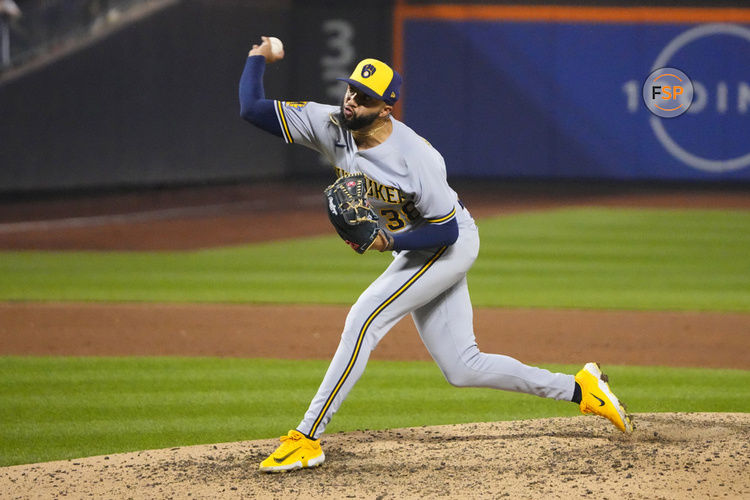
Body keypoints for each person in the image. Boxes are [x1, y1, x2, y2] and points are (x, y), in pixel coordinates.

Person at [239, 36, 633, 473]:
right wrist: (259, 56)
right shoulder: (329, 124)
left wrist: (389, 243)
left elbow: (444, 230)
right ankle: (581, 389)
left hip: (448, 243)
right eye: (350, 90)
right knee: (463, 367)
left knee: (365, 317)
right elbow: (251, 108)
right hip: (417, 245)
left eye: (364, 98)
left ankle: (307, 437)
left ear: (386, 108)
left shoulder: (415, 158)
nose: (351, 102)